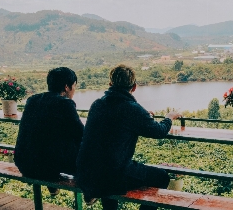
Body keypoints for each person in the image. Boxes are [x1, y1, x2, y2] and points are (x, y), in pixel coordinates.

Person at [76, 64, 182, 210]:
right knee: (161, 177)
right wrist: (169, 117)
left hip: (86, 173)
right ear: (134, 87)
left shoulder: (97, 104)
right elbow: (159, 131)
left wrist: (143, 116)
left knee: (109, 169)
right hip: (112, 176)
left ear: (110, 84)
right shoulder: (132, 109)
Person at [14, 67, 84, 195]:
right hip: (45, 168)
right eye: (74, 86)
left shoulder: (32, 100)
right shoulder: (65, 104)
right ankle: (89, 192)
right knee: (85, 150)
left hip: (23, 163)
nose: (74, 90)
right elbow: (81, 135)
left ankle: (52, 185)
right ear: (66, 87)